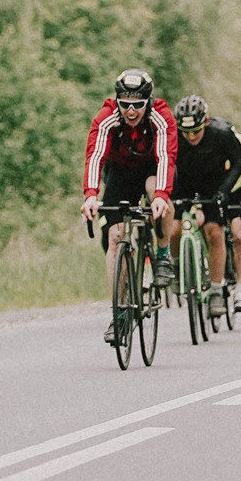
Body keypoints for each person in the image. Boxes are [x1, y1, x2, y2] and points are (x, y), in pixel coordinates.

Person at [80, 68, 178, 321]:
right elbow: (95, 156)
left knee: (155, 191)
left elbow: (166, 157)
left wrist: (160, 196)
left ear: (149, 101)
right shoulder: (106, 116)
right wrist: (90, 195)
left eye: (137, 105)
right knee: (114, 237)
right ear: (117, 101)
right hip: (121, 172)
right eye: (125, 104)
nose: (130, 111)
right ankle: (119, 311)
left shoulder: (161, 115)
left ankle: (163, 254)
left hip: (153, 169)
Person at [169, 96, 241, 313]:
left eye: (196, 131)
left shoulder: (222, 133)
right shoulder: (173, 137)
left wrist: (224, 191)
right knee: (172, 229)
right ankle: (176, 266)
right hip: (184, 184)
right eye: (186, 132)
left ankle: (217, 290)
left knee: (215, 232)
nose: (191, 137)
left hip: (214, 185)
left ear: (206, 122)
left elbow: (239, 161)